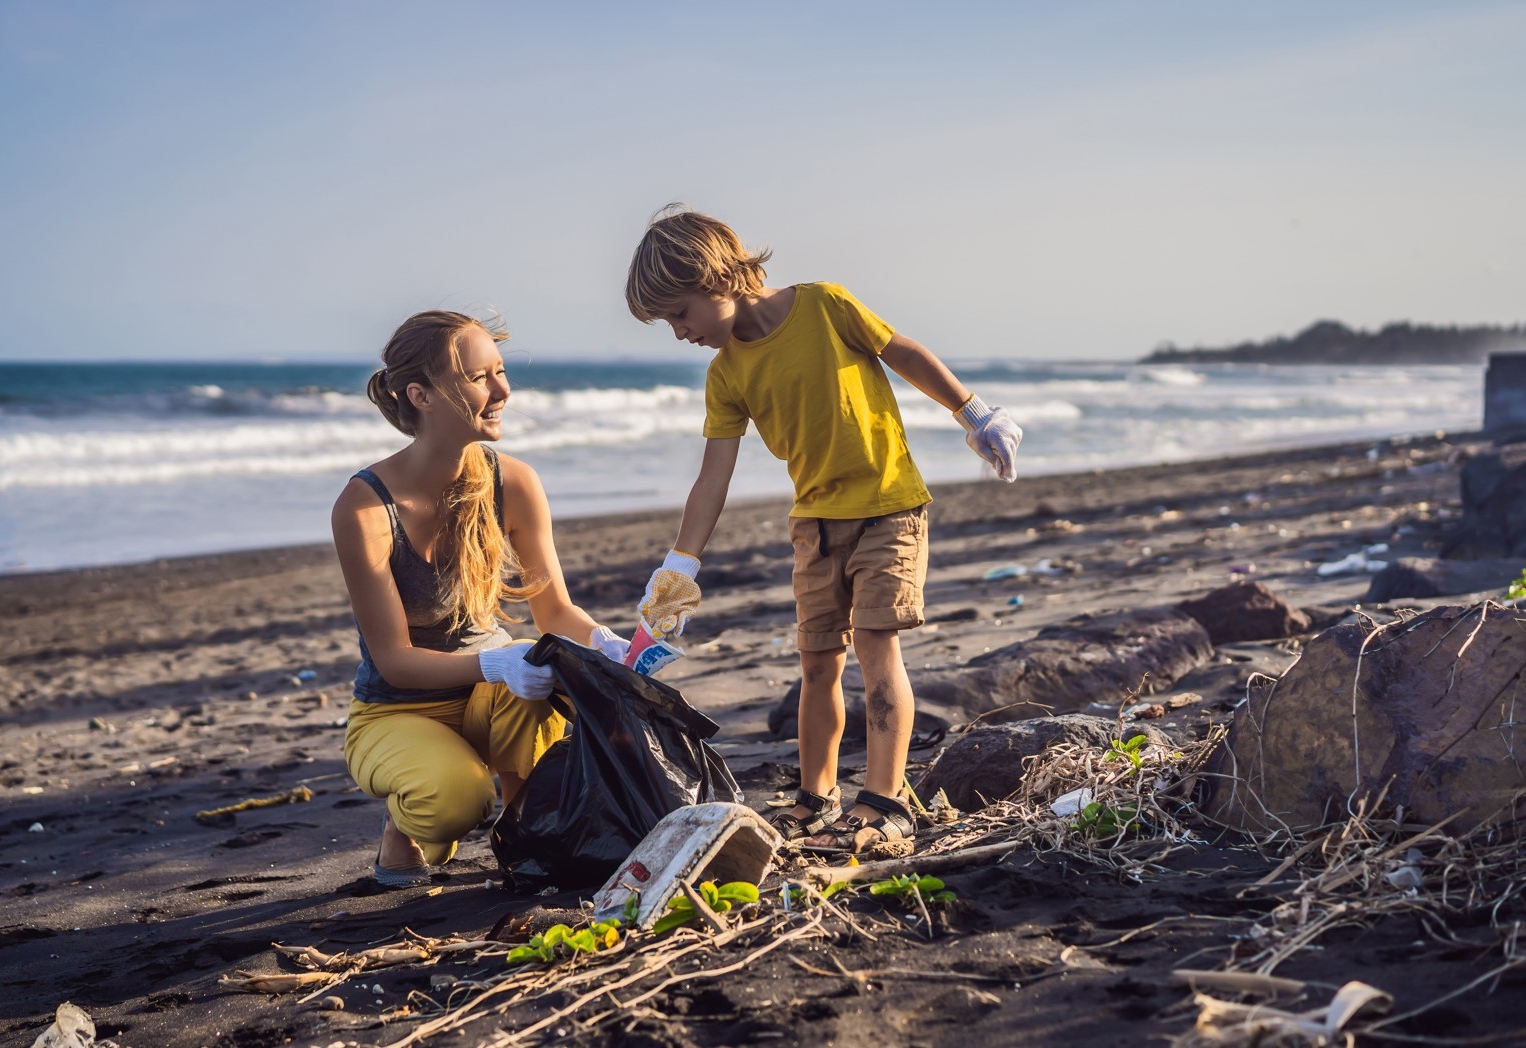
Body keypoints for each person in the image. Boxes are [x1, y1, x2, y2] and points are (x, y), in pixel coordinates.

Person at [625, 206, 1023, 854]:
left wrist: (973, 412)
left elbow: (904, 353)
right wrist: (680, 565)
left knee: (874, 648)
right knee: (815, 663)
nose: (678, 333)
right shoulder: (726, 374)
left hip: (889, 508)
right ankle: (816, 797)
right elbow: (713, 476)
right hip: (814, 525)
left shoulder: (824, 306)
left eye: (679, 314)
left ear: (716, 278)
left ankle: (885, 801)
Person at [332, 309, 627, 887]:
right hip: (397, 709)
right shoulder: (364, 508)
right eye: (479, 376)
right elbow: (393, 660)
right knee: (456, 800)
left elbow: (556, 611)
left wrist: (612, 645)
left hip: (493, 696)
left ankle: (525, 836)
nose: (502, 389)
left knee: (539, 663)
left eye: (500, 371)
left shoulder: (513, 481)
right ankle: (404, 827)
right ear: (421, 395)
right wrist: (497, 662)